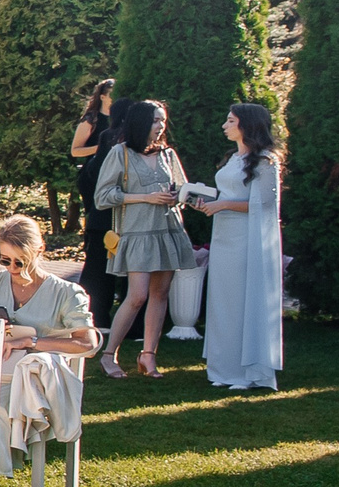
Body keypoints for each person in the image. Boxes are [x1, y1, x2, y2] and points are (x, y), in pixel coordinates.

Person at [0, 214, 100, 487]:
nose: (12, 268)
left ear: (40, 250)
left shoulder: (66, 292)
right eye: (4, 260)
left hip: (26, 383)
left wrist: (32, 341)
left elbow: (87, 343)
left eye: (19, 261)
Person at [94, 99, 194, 379]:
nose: (160, 126)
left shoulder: (168, 155)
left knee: (160, 294)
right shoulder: (120, 153)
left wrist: (179, 197)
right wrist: (145, 198)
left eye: (162, 120)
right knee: (136, 296)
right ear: (140, 122)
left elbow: (182, 189)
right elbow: (103, 197)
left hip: (167, 230)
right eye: (155, 121)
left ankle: (148, 355)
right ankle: (108, 354)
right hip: (137, 234)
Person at [193, 103, 283, 392]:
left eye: (230, 121)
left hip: (248, 239)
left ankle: (248, 372)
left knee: (244, 298)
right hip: (224, 236)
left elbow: (265, 205)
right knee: (224, 300)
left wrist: (224, 204)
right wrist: (208, 202)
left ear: (246, 125)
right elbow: (229, 192)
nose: (224, 125)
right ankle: (224, 368)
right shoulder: (234, 158)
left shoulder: (266, 161)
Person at [71, 80, 117, 323]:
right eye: (111, 95)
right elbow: (75, 150)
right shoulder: (92, 120)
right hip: (93, 175)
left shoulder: (121, 120)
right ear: (102, 96)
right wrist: (101, 147)